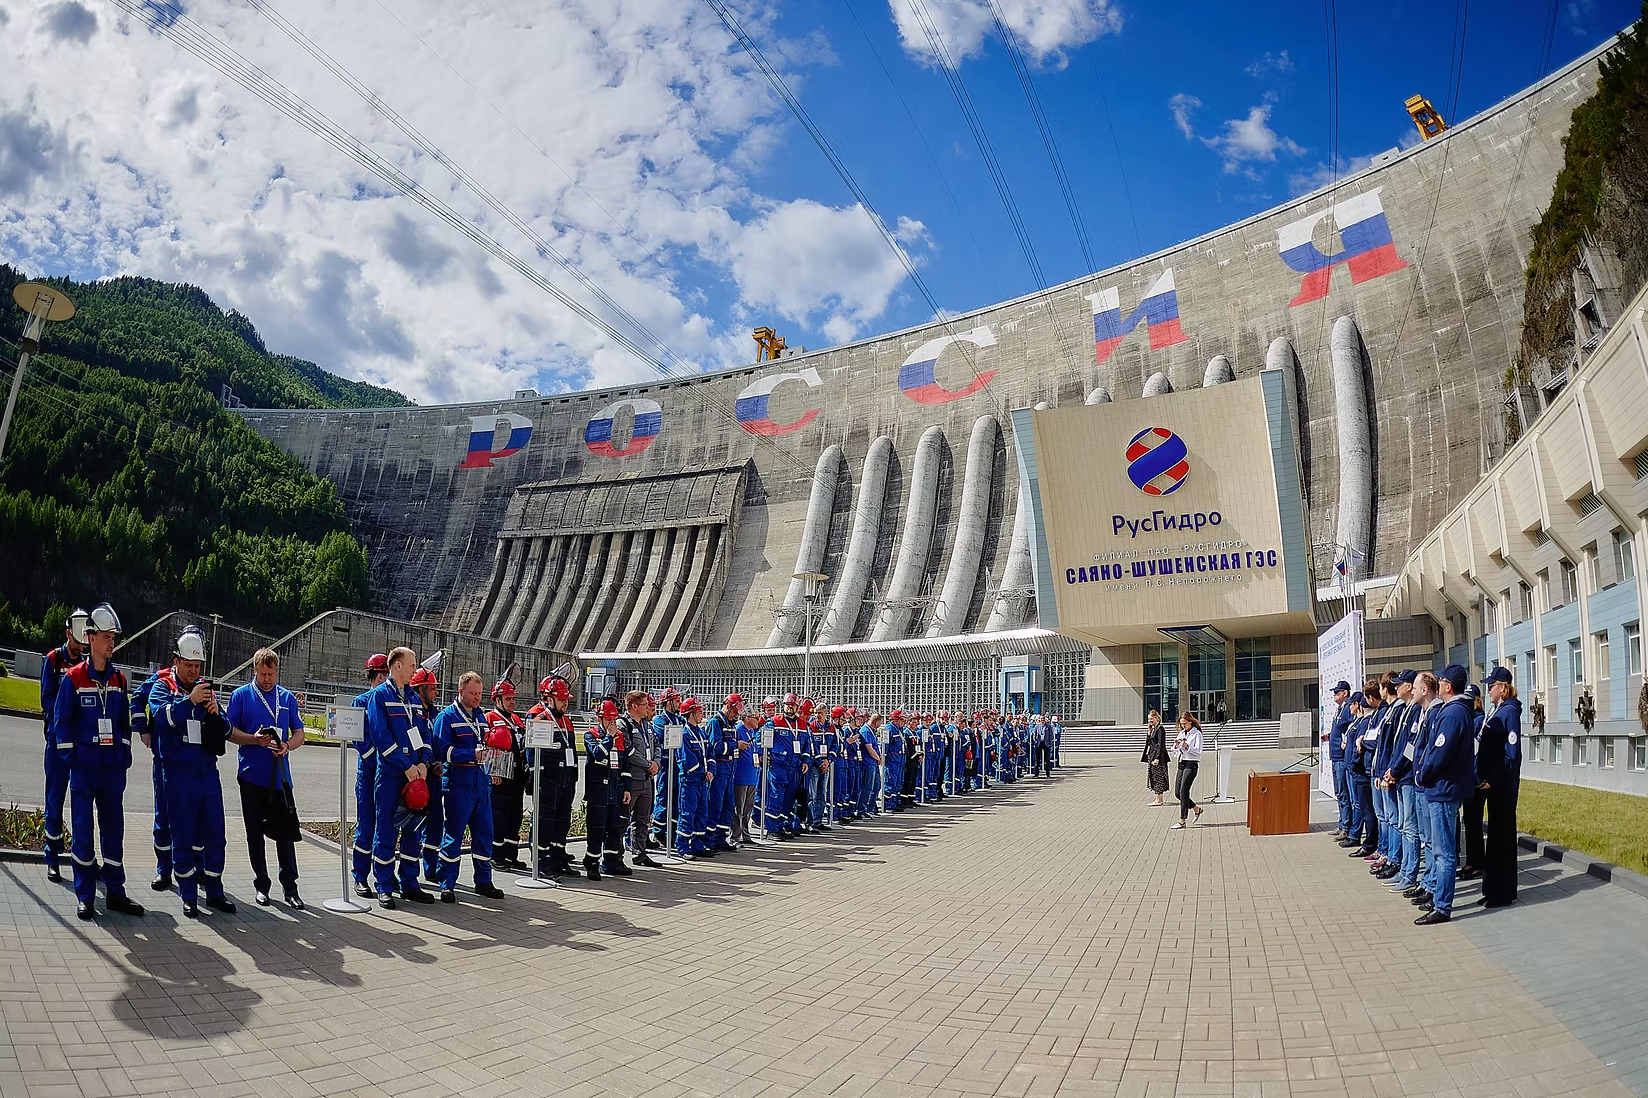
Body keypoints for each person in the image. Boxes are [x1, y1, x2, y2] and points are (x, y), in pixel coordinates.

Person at [151, 626, 268, 917]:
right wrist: (188, 701)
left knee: (216, 834)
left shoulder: (206, 689)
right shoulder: (163, 687)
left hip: (206, 772)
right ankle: (188, 894)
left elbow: (226, 729)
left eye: (198, 665)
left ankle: (214, 890)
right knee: (183, 834)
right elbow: (161, 719)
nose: (193, 671)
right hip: (178, 773)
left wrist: (216, 713)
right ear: (176, 661)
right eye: (188, 665)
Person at [52, 603, 145, 921]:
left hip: (111, 771)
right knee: (82, 832)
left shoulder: (119, 679)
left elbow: (123, 725)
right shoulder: (74, 679)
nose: (111, 642)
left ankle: (116, 895)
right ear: (90, 638)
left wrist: (123, 758)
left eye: (113, 637)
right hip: (84, 768)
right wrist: (72, 758)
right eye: (106, 636)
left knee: (113, 832)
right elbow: (60, 723)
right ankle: (85, 896)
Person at [226, 648, 306, 909]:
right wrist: (253, 740)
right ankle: (262, 885)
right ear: (254, 671)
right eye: (262, 674)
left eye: (271, 674)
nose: (267, 679)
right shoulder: (241, 696)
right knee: (254, 834)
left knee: (285, 835)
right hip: (251, 777)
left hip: (280, 777)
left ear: (276, 671)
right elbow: (229, 732)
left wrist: (287, 746)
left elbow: (300, 733)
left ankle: (290, 888)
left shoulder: (286, 698)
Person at [365, 648, 436, 908]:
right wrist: (405, 765)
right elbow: (380, 735)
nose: (414, 670)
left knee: (412, 831)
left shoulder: (414, 700)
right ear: (396, 666)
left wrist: (423, 763)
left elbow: (424, 734)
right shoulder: (379, 697)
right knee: (386, 829)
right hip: (392, 775)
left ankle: (409, 883)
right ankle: (384, 885)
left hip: (415, 775)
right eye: (411, 665)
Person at [430, 671, 507, 902]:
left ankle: (484, 881)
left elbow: (486, 744)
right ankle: (447, 884)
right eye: (473, 693)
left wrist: (492, 760)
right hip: (458, 785)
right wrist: (471, 754)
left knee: (484, 834)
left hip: (481, 784)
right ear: (460, 691)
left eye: (480, 694)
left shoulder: (481, 717)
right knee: (453, 835)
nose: (476, 698)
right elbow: (442, 751)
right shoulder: (447, 717)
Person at [1413, 664, 1475, 924]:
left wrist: (1422, 774)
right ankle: (1439, 898)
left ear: (1448, 686)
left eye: (1441, 681)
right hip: (1442, 788)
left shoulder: (1453, 713)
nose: (1438, 684)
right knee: (1440, 849)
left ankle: (1442, 906)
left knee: (1444, 852)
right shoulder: (1454, 711)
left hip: (1443, 789)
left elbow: (1439, 751)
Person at [39, 607, 89, 882]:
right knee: (55, 798)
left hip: (81, 744)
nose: (81, 644)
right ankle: (52, 855)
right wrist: (66, 714)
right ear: (68, 633)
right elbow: (46, 699)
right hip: (58, 741)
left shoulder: (85, 665)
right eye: (78, 638)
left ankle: (82, 858)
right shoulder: (53, 660)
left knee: (81, 799)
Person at [522, 674, 578, 876]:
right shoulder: (539, 718)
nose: (565, 703)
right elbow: (531, 752)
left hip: (566, 779)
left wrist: (573, 777)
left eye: (566, 699)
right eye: (562, 699)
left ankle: (558, 856)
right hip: (547, 779)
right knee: (544, 820)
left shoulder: (567, 721)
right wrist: (536, 777)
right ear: (549, 698)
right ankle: (541, 860)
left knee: (562, 820)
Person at [1476, 666, 1522, 908]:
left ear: (1502, 688)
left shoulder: (1509, 713)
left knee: (1502, 839)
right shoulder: (1497, 711)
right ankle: (1494, 888)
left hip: (1503, 787)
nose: (1488, 690)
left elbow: (1511, 754)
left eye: (1491, 686)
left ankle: (1502, 892)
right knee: (1495, 838)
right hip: (1495, 785)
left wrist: (1494, 778)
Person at [350, 653, 390, 896]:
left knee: (386, 826)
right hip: (368, 773)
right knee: (366, 826)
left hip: (389, 775)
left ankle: (384, 876)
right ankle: (360, 876)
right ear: (378, 675)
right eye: (384, 675)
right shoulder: (361, 702)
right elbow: (359, 739)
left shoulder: (391, 701)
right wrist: (380, 759)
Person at [584, 698, 632, 880]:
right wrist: (609, 737)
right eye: (608, 720)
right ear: (600, 719)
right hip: (598, 793)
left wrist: (626, 788)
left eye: (614, 720)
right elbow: (597, 754)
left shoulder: (619, 738)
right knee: (596, 830)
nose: (612, 724)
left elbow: (625, 767)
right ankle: (592, 864)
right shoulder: (591, 736)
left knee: (614, 829)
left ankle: (612, 862)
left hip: (615, 792)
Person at [487, 678, 529, 871]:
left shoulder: (516, 719)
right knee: (499, 818)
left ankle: (511, 855)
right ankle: (496, 856)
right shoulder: (489, 718)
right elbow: (485, 747)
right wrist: (492, 771)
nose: (512, 702)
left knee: (515, 817)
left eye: (513, 698)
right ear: (497, 700)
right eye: (508, 698)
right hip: (499, 777)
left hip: (516, 776)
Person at [409, 665, 444, 885]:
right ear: (420, 689)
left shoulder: (435, 713)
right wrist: (426, 763)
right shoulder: (412, 713)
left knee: (436, 824)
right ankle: (409, 873)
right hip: (418, 776)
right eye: (432, 688)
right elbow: (415, 742)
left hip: (435, 777)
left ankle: (431, 869)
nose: (436, 693)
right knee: (413, 826)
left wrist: (440, 763)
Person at [620, 691, 662, 868]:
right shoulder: (623, 724)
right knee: (622, 819)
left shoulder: (647, 725)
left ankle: (640, 853)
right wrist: (647, 764)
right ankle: (615, 856)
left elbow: (657, 745)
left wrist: (656, 763)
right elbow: (629, 751)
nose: (648, 707)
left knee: (643, 819)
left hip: (647, 778)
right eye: (645, 704)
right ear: (634, 706)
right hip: (633, 778)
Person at [675, 697, 712, 858]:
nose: (702, 714)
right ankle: (682, 846)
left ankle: (697, 844)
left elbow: (710, 754)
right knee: (687, 814)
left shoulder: (701, 732)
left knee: (702, 813)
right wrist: (703, 772)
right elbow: (687, 761)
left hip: (702, 781)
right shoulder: (684, 734)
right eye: (699, 711)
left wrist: (711, 770)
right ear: (691, 713)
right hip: (689, 782)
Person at [705, 694, 742, 852]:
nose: (737, 715)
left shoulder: (731, 724)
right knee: (715, 805)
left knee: (728, 806)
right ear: (728, 707)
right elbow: (716, 747)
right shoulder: (716, 723)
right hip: (719, 771)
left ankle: (720, 837)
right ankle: (709, 839)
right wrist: (736, 745)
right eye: (735, 711)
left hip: (729, 771)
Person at [1459, 683, 1487, 881]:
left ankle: (1477, 864)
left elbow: (1477, 754)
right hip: (1469, 779)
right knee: (1468, 822)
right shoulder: (1469, 719)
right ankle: (1471, 862)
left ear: (1477, 701)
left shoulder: (1478, 721)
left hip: (1476, 781)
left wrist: (1478, 778)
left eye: (1471, 699)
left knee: (1474, 823)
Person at [652, 688, 685, 846]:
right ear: (669, 702)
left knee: (676, 800)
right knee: (664, 798)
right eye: (677, 701)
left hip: (678, 765)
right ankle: (659, 832)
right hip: (667, 765)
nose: (679, 704)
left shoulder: (680, 719)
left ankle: (672, 832)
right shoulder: (660, 720)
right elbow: (663, 740)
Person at [1326, 680, 1353, 840]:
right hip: (1335, 756)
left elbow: (1350, 729)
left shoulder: (1348, 708)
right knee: (1339, 792)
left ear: (1345, 693)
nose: (1334, 695)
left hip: (1342, 758)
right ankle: (1342, 823)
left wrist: (1345, 742)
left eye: (1337, 692)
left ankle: (1347, 826)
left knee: (1344, 792)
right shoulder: (1339, 709)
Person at [1169, 713, 1204, 829]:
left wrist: (1187, 746)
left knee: (1184, 790)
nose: (1183, 726)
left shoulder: (1197, 734)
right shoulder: (1182, 733)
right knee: (1178, 793)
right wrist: (1176, 745)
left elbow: (1198, 751)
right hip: (1181, 763)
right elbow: (1175, 751)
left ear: (1190, 721)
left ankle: (1182, 820)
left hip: (1191, 764)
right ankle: (1196, 808)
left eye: (1185, 723)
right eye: (1181, 724)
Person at [734, 703, 761, 844]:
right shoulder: (739, 730)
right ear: (747, 718)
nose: (758, 720)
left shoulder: (752, 732)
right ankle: (735, 835)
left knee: (748, 807)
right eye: (756, 717)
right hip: (741, 775)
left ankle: (745, 834)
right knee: (739, 807)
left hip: (752, 774)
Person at [1141, 710, 1169, 806]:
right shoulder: (1154, 729)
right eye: (1149, 719)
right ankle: (1158, 798)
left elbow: (1160, 744)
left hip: (1158, 757)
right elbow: (1149, 743)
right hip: (1152, 756)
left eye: (1151, 719)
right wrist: (1149, 733)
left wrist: (1157, 758)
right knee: (1154, 777)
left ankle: (1159, 799)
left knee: (1158, 777)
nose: (1150, 721)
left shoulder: (1160, 729)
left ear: (1157, 718)